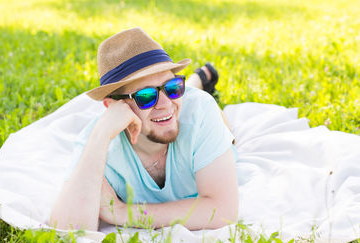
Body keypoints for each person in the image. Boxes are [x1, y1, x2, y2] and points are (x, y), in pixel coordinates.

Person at [49, 27, 239, 231]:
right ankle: (194, 80)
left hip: (204, 117)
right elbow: (69, 229)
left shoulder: (200, 110)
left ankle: (196, 81)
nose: (166, 103)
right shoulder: (98, 143)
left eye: (174, 87)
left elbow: (223, 212)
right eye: (146, 96)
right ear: (113, 106)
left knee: (217, 119)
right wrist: (101, 134)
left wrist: (123, 212)